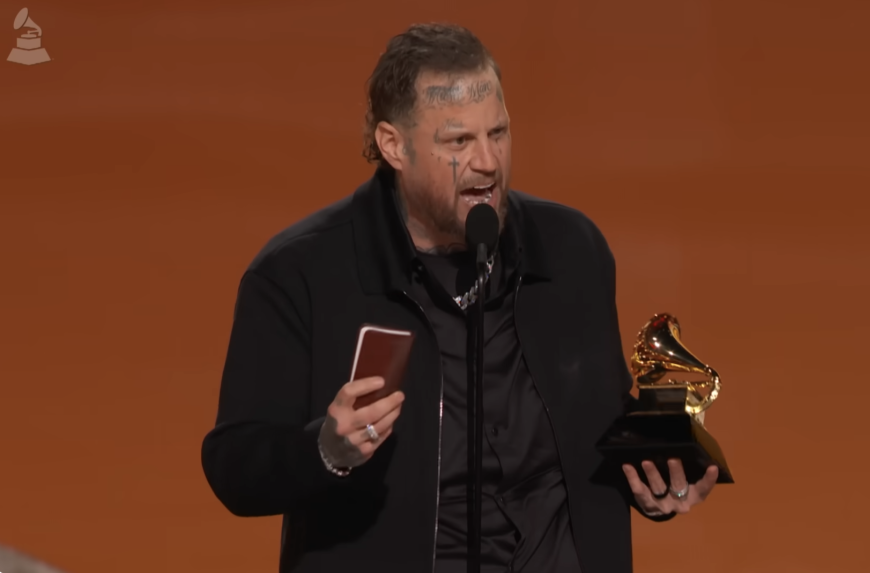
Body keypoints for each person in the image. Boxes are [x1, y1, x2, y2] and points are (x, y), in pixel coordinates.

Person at [200, 22, 718, 573]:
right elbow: (235, 465)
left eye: (498, 133)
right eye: (458, 141)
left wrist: (655, 475)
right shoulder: (301, 274)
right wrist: (326, 450)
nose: (488, 161)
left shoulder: (571, 253)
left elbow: (594, 428)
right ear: (393, 146)